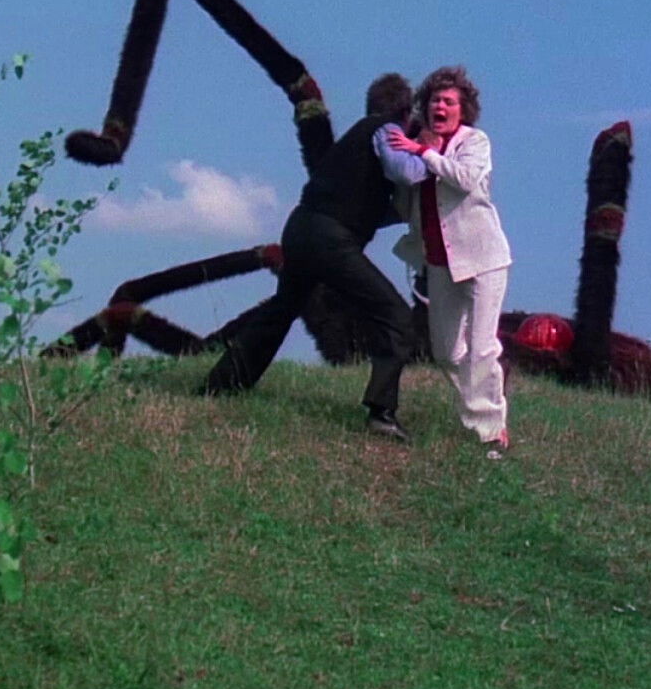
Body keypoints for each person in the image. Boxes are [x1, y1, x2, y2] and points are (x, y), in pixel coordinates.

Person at [203, 74, 417, 443]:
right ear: (405, 111)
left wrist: (404, 213)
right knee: (395, 316)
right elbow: (407, 172)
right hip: (330, 239)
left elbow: (363, 208)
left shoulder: (357, 142)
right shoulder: (387, 130)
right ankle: (382, 414)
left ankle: (219, 387)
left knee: (280, 311)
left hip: (300, 228)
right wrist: (430, 154)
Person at [379, 66, 513, 457]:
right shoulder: (417, 145)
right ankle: (479, 407)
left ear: (463, 109)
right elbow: (406, 199)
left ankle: (492, 431)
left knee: (482, 347)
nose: (441, 106)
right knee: (446, 352)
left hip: (484, 258)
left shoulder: (474, 142)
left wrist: (426, 154)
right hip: (440, 263)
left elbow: (465, 179)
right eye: (436, 100)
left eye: (450, 102)